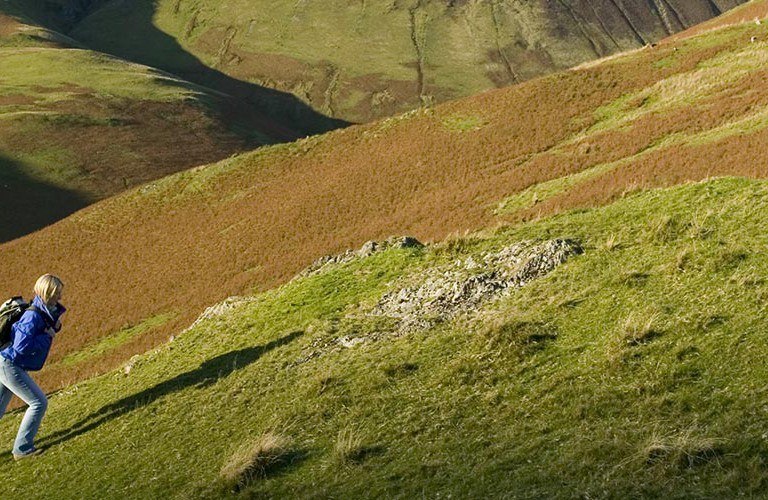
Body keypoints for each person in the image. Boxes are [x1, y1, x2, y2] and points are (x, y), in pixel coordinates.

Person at [0, 274, 66, 460]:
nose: (60, 297)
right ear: (48, 293)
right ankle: (22, 449)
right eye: (57, 293)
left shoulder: (39, 310)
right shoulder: (32, 315)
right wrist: (48, 336)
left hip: (5, 362)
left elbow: (42, 325)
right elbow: (21, 345)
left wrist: (54, 328)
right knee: (38, 403)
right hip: (9, 364)